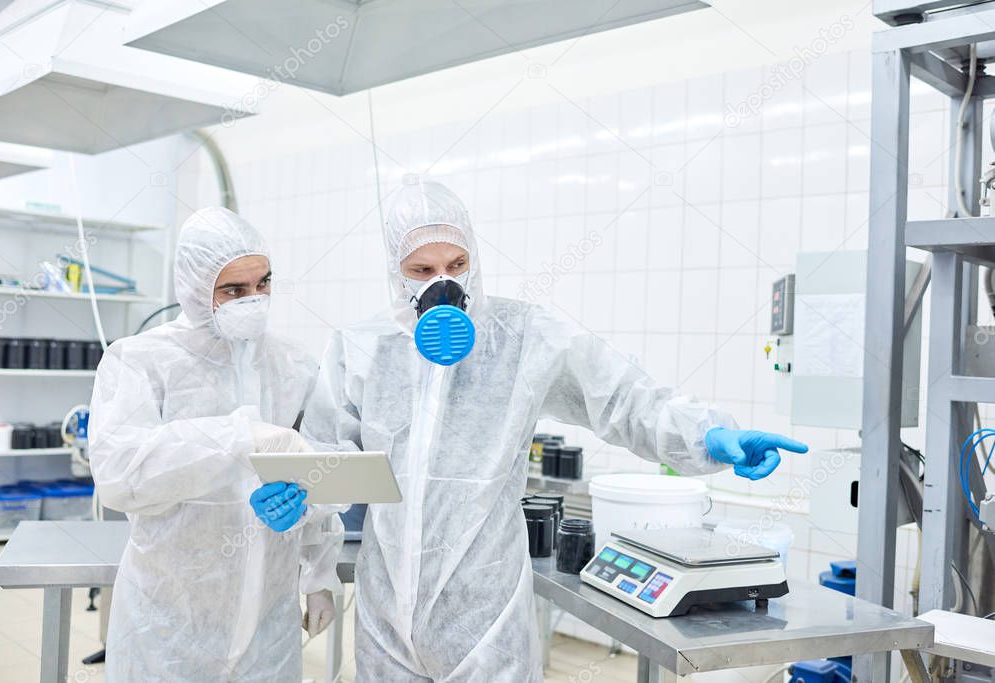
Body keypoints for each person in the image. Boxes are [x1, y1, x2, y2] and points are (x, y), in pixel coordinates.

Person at [303, 175, 807, 682]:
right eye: (422, 270)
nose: (443, 283)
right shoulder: (362, 350)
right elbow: (327, 461)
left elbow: (622, 397)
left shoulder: (521, 338)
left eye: (457, 265)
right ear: (397, 275)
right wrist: (314, 566)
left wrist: (707, 435)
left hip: (485, 617)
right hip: (385, 614)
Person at [89, 207, 343, 682]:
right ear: (193, 287)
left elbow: (320, 469)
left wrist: (319, 573)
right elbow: (121, 476)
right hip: (167, 623)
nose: (253, 300)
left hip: (269, 623)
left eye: (263, 284)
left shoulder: (293, 365)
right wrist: (238, 437)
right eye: (233, 290)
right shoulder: (141, 360)